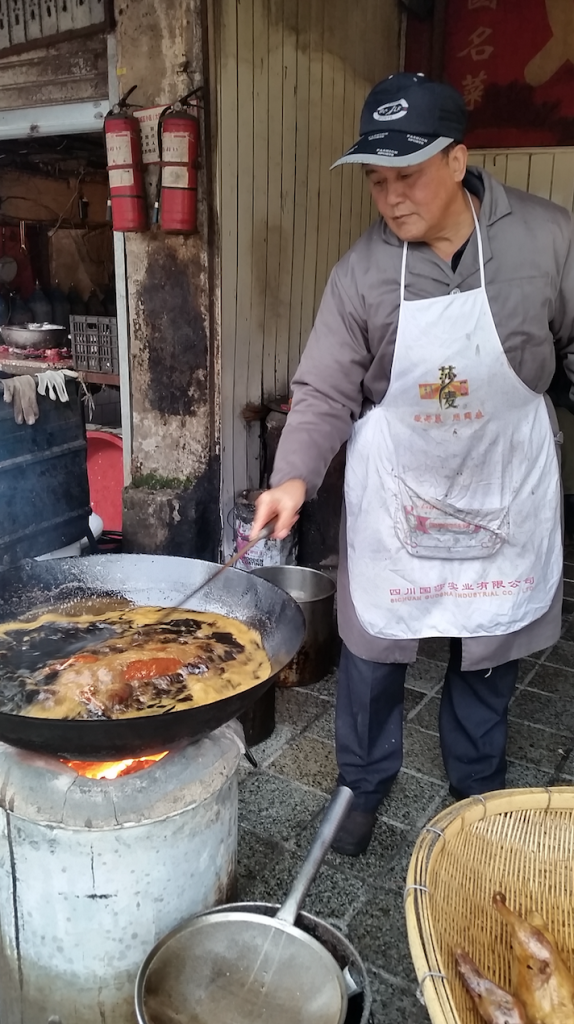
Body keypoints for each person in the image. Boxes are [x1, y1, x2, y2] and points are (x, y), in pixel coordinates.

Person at [251, 72, 574, 856]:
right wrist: (294, 474)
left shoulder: (548, 239)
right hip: (402, 490)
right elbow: (324, 388)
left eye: (408, 175)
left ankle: (477, 788)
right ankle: (362, 786)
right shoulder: (362, 272)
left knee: (489, 639)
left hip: (503, 481)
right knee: (374, 648)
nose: (390, 197)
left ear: (458, 160)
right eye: (376, 180)